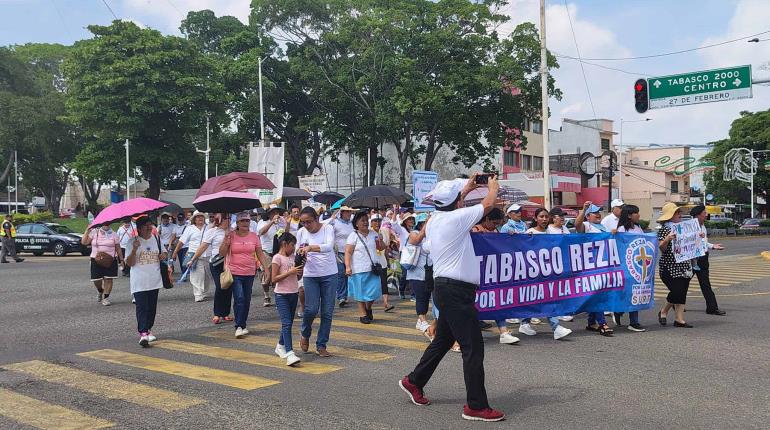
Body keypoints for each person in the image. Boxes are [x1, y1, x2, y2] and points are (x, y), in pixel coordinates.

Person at [399, 174, 505, 422]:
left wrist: (465, 189)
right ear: (457, 201)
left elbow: (452, 205)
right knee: (472, 347)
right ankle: (476, 406)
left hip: (448, 289)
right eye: (460, 196)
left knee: (443, 341)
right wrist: (492, 186)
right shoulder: (456, 219)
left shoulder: (436, 219)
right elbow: (488, 204)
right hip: (456, 291)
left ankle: (414, 381)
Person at [517, 208, 573, 340]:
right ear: (536, 218)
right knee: (541, 298)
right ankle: (555, 327)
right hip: (533, 273)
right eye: (541, 216)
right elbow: (520, 249)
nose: (544, 219)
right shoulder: (530, 232)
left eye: (546, 217)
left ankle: (526, 323)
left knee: (543, 298)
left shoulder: (550, 232)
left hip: (548, 272)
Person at [472, 208, 521, 345]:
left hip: (493, 274)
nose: (496, 226)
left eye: (498, 224)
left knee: (497, 301)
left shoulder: (496, 232)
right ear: (486, 219)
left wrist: (508, 237)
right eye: (494, 223)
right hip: (476, 275)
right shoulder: (474, 230)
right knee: (473, 304)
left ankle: (503, 332)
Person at [219, 211, 271, 338]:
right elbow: (222, 253)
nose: (245, 223)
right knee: (240, 298)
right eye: (242, 221)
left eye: (247, 221)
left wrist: (266, 269)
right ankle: (239, 326)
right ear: (237, 223)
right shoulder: (230, 235)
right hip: (234, 272)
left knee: (246, 299)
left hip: (249, 272)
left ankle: (243, 324)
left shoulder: (254, 236)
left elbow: (259, 253)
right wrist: (226, 240)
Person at [297, 206, 339, 357]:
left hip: (329, 274)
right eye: (303, 223)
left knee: (327, 312)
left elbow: (328, 247)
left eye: (309, 222)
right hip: (310, 274)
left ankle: (321, 345)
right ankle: (305, 332)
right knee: (311, 309)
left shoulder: (327, 228)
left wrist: (310, 248)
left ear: (316, 219)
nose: (306, 226)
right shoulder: (301, 232)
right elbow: (297, 251)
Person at [125, 215, 166, 347]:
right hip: (139, 280)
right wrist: (135, 249)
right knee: (142, 307)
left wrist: (162, 256)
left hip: (154, 278)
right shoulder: (132, 242)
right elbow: (130, 263)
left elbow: (164, 253)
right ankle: (143, 333)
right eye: (146, 226)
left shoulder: (156, 238)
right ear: (139, 228)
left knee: (152, 308)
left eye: (150, 225)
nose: (149, 228)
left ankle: (148, 329)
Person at [575, 201, 614, 336]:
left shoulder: (603, 227)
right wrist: (584, 208)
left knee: (597, 294)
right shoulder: (586, 225)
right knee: (598, 294)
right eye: (595, 213)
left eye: (599, 212)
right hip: (591, 266)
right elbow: (577, 225)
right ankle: (602, 323)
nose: (598, 215)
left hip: (604, 264)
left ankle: (591, 322)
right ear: (588, 216)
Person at [190, 213, 232, 324]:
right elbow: (203, 247)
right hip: (216, 263)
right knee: (220, 287)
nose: (229, 220)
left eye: (229, 218)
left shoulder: (233, 231)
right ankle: (217, 313)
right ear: (220, 220)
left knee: (228, 287)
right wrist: (193, 259)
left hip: (230, 263)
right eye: (227, 218)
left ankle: (226, 313)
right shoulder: (212, 232)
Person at [656, 202, 694, 328]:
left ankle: (679, 319)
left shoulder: (684, 228)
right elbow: (662, 248)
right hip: (669, 266)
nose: (680, 214)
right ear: (670, 215)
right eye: (677, 212)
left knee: (682, 292)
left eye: (679, 212)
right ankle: (664, 311)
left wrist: (699, 238)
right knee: (676, 291)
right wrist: (667, 239)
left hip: (684, 265)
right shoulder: (665, 229)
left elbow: (693, 244)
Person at [611, 204, 647, 332]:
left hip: (637, 266)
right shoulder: (621, 229)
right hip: (626, 266)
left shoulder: (638, 228)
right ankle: (621, 311)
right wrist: (614, 234)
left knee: (636, 291)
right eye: (636, 213)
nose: (639, 215)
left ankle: (633, 320)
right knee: (629, 292)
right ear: (629, 215)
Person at [345, 211, 386, 324]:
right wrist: (348, 267)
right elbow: (348, 252)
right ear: (356, 223)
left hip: (373, 268)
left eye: (366, 220)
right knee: (360, 293)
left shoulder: (374, 234)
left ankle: (368, 307)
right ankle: (362, 313)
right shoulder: (353, 236)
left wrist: (381, 240)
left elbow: (381, 248)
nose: (365, 222)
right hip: (358, 268)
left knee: (374, 292)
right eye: (362, 220)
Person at [272, 232, 303, 366]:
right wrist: (289, 272)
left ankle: (280, 345)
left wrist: (299, 271)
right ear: (284, 244)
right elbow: (274, 279)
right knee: (286, 323)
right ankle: (290, 352)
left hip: (293, 293)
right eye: (292, 245)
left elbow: (297, 278)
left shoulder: (293, 258)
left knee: (289, 322)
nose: (293, 248)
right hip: (281, 295)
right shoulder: (277, 258)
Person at [690, 205, 726, 316]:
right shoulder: (690, 227)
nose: (706, 215)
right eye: (704, 213)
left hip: (703, 258)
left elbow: (703, 242)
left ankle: (712, 308)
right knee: (683, 283)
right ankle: (674, 303)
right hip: (692, 259)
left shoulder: (703, 226)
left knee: (705, 284)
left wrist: (712, 246)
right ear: (697, 215)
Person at [172, 211, 210, 302]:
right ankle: (198, 294)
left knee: (206, 276)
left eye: (201, 217)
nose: (200, 218)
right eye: (197, 217)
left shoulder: (208, 227)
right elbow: (181, 241)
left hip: (208, 254)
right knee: (196, 275)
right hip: (194, 255)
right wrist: (175, 252)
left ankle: (204, 292)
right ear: (194, 219)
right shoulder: (190, 228)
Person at [81, 223, 122, 306]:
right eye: (104, 223)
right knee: (96, 280)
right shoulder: (94, 232)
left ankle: (106, 298)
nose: (106, 225)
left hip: (110, 259)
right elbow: (84, 242)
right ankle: (100, 290)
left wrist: (121, 259)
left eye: (108, 223)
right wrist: (87, 230)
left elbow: (118, 248)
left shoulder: (114, 234)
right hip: (95, 259)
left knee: (109, 279)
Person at [324, 206, 355, 308]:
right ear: (342, 213)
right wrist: (333, 216)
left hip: (351, 252)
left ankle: (346, 295)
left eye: (350, 212)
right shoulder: (335, 222)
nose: (349, 214)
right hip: (339, 252)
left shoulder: (352, 223)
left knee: (349, 273)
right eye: (347, 212)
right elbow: (324, 225)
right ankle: (341, 296)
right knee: (341, 273)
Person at [258, 206, 285, 307]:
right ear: (269, 214)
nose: (275, 214)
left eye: (277, 212)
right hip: (266, 253)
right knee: (266, 276)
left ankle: (279, 297)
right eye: (273, 212)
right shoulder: (263, 222)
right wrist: (271, 222)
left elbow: (284, 233)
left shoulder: (280, 223)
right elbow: (261, 232)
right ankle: (266, 295)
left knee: (278, 275)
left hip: (278, 253)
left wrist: (286, 223)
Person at [370, 214, 395, 312]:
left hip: (382, 261)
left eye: (379, 220)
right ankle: (368, 305)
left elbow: (385, 248)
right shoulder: (368, 232)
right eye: (375, 221)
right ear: (371, 222)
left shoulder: (384, 232)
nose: (377, 223)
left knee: (384, 283)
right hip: (373, 262)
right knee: (373, 284)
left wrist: (388, 260)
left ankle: (386, 303)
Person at [391, 211, 417, 300]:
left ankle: (413, 295)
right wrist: (395, 211)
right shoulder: (402, 230)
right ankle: (401, 289)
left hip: (413, 254)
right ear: (405, 221)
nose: (411, 220)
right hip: (404, 253)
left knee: (413, 273)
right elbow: (394, 225)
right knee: (405, 274)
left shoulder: (414, 230)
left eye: (412, 219)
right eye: (409, 219)